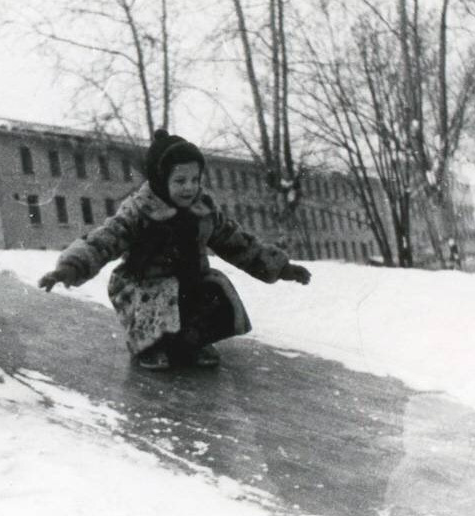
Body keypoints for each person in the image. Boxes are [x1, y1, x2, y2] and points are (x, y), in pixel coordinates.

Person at [38, 129, 311, 370]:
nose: (189, 187)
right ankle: (150, 345)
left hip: (189, 281)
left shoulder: (204, 210)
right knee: (160, 296)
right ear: (161, 178)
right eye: (180, 181)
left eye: (194, 179)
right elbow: (104, 239)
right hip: (142, 285)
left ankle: (194, 342)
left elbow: (237, 241)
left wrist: (281, 267)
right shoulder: (138, 210)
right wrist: (69, 268)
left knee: (215, 288)